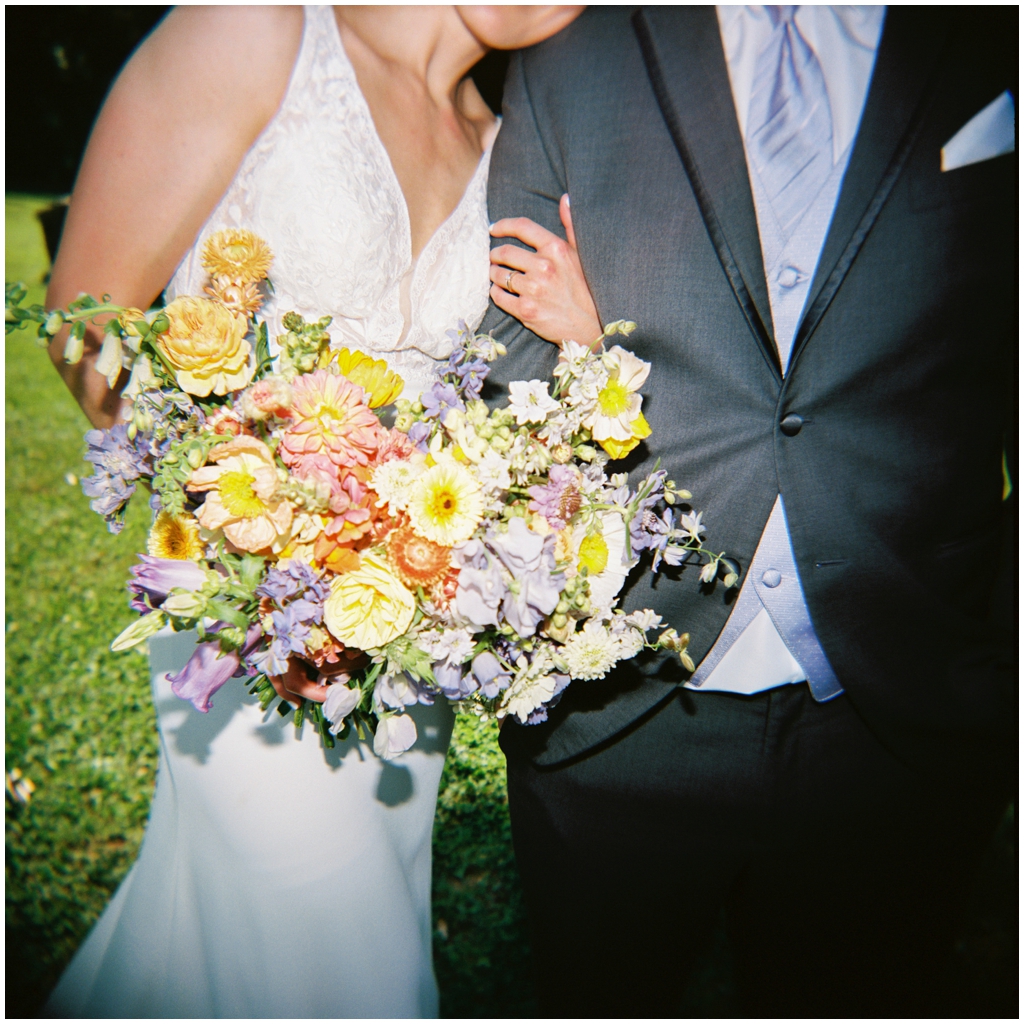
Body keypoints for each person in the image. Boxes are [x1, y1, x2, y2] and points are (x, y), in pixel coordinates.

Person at [42, 5, 587, 1017]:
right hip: (244, 617)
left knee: (261, 937)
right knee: (338, 956)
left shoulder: (511, 142)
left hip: (401, 633)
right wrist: (245, 528)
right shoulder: (258, 29)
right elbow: (85, 314)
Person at [483, 5, 1016, 1017]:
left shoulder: (992, 35)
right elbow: (504, 363)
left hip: (906, 710)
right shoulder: (573, 36)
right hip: (619, 711)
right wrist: (600, 370)